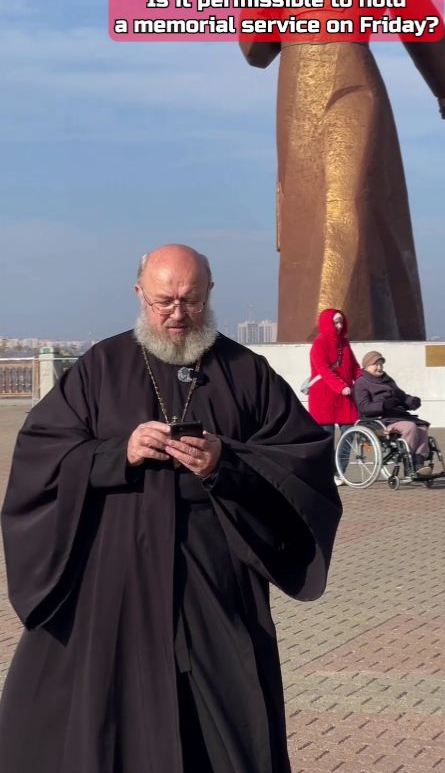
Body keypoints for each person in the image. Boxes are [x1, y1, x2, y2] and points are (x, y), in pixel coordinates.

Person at [0, 244, 342, 773]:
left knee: (228, 718)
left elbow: (302, 461)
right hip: (114, 577)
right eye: (164, 301)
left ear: (210, 293)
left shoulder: (246, 371)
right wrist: (119, 452)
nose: (178, 314)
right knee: (108, 718)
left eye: (191, 300)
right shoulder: (100, 367)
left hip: (215, 576)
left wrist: (225, 462)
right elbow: (41, 455)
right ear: (140, 294)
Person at [240, 0, 445, 342]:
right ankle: (318, 332)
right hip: (309, 89)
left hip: (338, 82)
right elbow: (255, 49)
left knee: (344, 202)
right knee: (313, 211)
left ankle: (335, 329)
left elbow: (423, 28)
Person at [354, 350, 432, 476]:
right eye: (376, 365)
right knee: (410, 427)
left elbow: (401, 396)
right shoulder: (361, 383)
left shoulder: (387, 380)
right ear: (366, 366)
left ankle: (419, 464)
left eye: (381, 364)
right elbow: (364, 407)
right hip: (379, 420)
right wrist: (383, 405)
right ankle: (409, 466)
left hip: (396, 416)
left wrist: (411, 401)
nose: (379, 367)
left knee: (422, 427)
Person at [307, 308, 361, 485]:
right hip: (324, 397)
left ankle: (339, 472)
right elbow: (323, 370)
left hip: (344, 398)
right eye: (335, 322)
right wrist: (341, 387)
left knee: (349, 433)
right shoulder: (319, 344)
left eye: (341, 322)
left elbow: (354, 368)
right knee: (326, 440)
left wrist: (365, 381)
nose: (339, 325)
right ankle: (327, 474)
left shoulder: (344, 343)